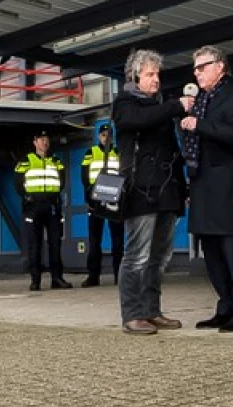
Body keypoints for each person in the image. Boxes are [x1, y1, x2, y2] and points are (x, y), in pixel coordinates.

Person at [180, 45, 233, 332]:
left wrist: (199, 125)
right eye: (195, 68)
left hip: (228, 184)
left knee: (231, 248)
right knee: (210, 248)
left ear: (220, 67)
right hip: (202, 182)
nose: (197, 72)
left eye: (203, 67)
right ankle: (225, 304)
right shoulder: (200, 99)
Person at [113, 49, 188, 335]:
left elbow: (172, 151)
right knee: (137, 256)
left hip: (166, 189)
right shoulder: (125, 103)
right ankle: (132, 314)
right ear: (135, 76)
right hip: (140, 190)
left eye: (157, 74)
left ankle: (151, 311)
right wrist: (174, 106)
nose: (156, 79)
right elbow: (136, 121)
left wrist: (183, 187)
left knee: (160, 257)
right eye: (150, 74)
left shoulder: (160, 106)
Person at [16, 130, 72, 291]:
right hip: (33, 207)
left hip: (52, 206)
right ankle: (35, 280)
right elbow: (18, 184)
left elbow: (61, 181)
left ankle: (57, 278)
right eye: (41, 140)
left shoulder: (56, 161)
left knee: (55, 243)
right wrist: (28, 198)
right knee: (35, 244)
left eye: (46, 139)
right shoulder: (26, 160)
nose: (44, 143)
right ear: (35, 142)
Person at [81, 123, 125, 287]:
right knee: (94, 241)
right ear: (99, 136)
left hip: (115, 200)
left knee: (118, 241)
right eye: (104, 135)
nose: (106, 138)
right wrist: (90, 198)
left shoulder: (118, 152)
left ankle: (118, 276)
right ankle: (93, 276)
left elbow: (124, 174)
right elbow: (85, 178)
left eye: (109, 135)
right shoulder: (90, 153)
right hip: (96, 201)